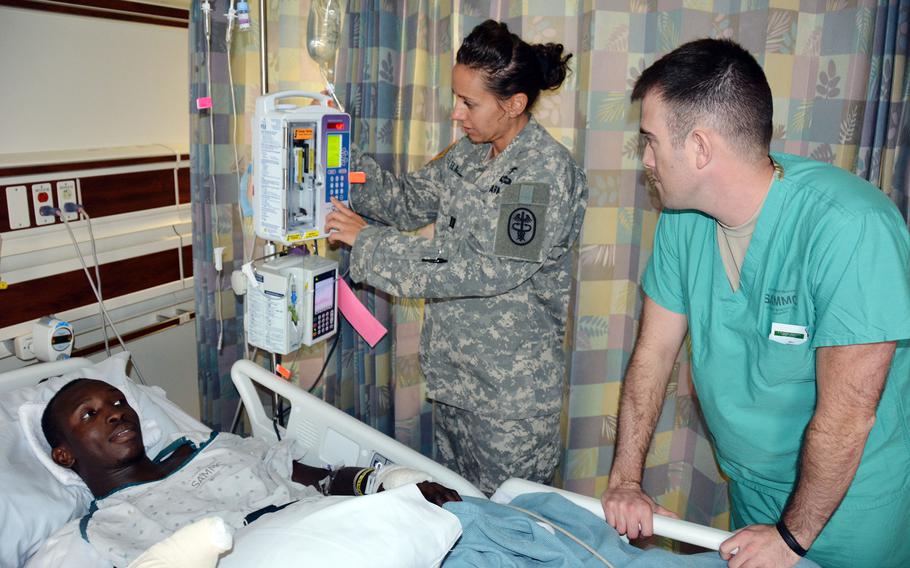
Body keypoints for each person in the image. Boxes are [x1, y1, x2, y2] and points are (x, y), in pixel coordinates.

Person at [599, 38, 910, 568]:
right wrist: (626, 481)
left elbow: (848, 415)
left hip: (850, 505)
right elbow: (653, 354)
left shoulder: (852, 229)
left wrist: (791, 538)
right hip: (751, 487)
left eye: (650, 141)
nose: (645, 159)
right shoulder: (682, 220)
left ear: (699, 148)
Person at [324, 19, 588, 495]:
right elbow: (404, 201)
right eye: (456, 97)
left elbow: (490, 269)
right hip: (457, 382)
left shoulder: (542, 173)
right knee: (459, 512)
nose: (456, 113)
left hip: (508, 401)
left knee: (510, 530)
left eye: (469, 103)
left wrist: (370, 243)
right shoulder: (468, 154)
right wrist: (338, 156)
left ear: (514, 104)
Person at [37, 378, 461, 566]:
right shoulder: (101, 531)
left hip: (339, 528)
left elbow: (325, 479)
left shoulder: (213, 447)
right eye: (89, 414)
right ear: (64, 455)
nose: (114, 415)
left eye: (116, 402)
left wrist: (392, 482)